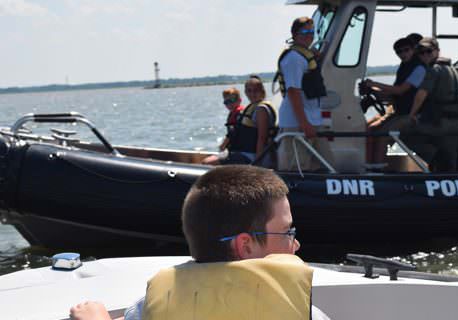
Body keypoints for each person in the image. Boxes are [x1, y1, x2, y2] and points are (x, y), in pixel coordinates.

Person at [70, 165, 330, 320]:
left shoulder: (153, 306)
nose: (295, 244)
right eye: (287, 232)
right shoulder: (304, 313)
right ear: (245, 246)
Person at [275, 16, 334, 172]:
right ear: (294, 34)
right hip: (297, 123)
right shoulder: (293, 58)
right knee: (297, 167)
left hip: (313, 119)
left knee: (323, 164)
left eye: (312, 32)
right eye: (304, 32)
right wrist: (304, 124)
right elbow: (293, 92)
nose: (309, 35)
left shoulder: (306, 55)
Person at [363, 37, 427, 165]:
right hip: (400, 111)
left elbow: (400, 90)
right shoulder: (404, 67)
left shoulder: (419, 68)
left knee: (383, 134)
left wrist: (375, 83)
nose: (403, 54)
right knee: (370, 129)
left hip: (413, 114)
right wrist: (373, 90)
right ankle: (369, 164)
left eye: (406, 50)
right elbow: (393, 94)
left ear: (413, 50)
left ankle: (377, 169)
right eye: (399, 52)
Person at [407, 37, 458, 172]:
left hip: (440, 122)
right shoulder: (455, 70)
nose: (425, 55)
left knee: (406, 134)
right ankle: (445, 174)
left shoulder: (434, 70)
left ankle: (435, 159)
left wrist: (412, 114)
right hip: (456, 121)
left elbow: (421, 93)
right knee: (450, 158)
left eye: (429, 51)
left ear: (437, 51)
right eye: (421, 53)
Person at [201, 88, 248, 165]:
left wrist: (223, 145)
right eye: (226, 102)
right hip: (236, 150)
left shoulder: (239, 114)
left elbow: (232, 134)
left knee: (206, 162)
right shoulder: (236, 113)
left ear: (239, 100)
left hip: (241, 152)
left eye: (232, 100)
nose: (229, 104)